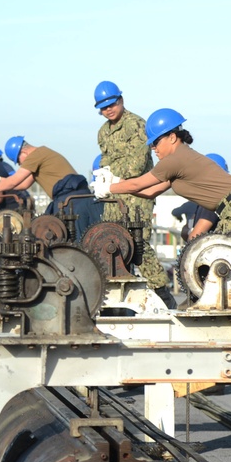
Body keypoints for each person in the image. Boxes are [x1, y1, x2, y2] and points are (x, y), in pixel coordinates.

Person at [102, 109, 231, 240]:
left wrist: (108, 187)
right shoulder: (181, 159)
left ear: (172, 137)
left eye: (155, 142)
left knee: (219, 263)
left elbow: (137, 184)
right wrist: (118, 182)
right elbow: (149, 192)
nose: (153, 148)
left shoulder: (173, 161)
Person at [94, 80, 175, 308]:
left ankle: (163, 296)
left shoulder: (137, 125)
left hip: (137, 195)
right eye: (103, 107)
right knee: (112, 242)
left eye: (111, 104)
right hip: (114, 197)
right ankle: (117, 296)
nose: (108, 109)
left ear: (121, 100)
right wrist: (102, 176)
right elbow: (105, 160)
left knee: (138, 245)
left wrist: (113, 177)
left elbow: (137, 166)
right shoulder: (103, 132)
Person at [0, 136, 77, 200]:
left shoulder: (34, 156)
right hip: (72, 196)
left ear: (24, 152)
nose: (20, 164)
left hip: (71, 197)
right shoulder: (40, 155)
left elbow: (14, 181)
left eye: (18, 161)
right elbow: (23, 185)